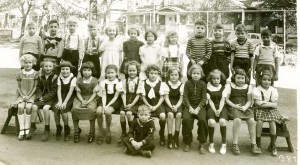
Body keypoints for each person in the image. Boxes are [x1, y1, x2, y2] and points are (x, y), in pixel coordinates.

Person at [225, 68, 261, 155]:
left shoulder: (248, 87)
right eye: (238, 78)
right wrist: (234, 106)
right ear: (234, 78)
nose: (241, 80)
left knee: (252, 121)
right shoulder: (229, 86)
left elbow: (249, 100)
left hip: (245, 107)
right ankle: (235, 143)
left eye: (242, 78)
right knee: (237, 120)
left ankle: (253, 144)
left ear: (245, 78)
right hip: (233, 107)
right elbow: (226, 99)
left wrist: (245, 107)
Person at [253, 70, 285, 156]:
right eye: (264, 79)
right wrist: (270, 104)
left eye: (268, 80)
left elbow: (275, 105)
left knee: (272, 122)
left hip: (271, 110)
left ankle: (273, 145)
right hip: (260, 110)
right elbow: (257, 103)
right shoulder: (257, 90)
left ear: (271, 81)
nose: (267, 82)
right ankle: (258, 143)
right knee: (259, 121)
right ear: (260, 80)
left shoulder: (273, 90)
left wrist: (264, 103)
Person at [29, 58, 58, 141]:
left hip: (51, 98)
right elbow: (38, 88)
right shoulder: (40, 76)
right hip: (41, 97)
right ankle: (33, 126)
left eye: (50, 66)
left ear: (53, 67)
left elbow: (54, 91)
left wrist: (44, 98)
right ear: (42, 67)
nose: (48, 68)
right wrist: (39, 97)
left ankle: (47, 128)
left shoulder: (55, 77)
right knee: (34, 107)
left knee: (45, 108)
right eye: (46, 66)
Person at [182, 64, 207, 153]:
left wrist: (198, 108)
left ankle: (202, 143)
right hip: (189, 106)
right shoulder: (187, 83)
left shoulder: (203, 84)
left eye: (198, 74)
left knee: (203, 120)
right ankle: (187, 142)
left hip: (200, 107)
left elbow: (204, 98)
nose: (196, 75)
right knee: (186, 119)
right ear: (190, 74)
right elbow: (185, 97)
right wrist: (189, 107)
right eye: (194, 73)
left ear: (201, 74)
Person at [13, 54, 39, 140]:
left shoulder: (35, 73)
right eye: (26, 63)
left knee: (28, 107)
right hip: (22, 95)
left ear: (33, 63)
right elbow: (19, 87)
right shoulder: (20, 73)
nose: (28, 64)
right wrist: (23, 95)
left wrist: (28, 96)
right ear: (22, 64)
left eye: (30, 63)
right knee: (20, 107)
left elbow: (35, 87)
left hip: (31, 95)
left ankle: (27, 128)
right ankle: (22, 129)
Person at [71, 62, 98, 143]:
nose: (86, 72)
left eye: (89, 70)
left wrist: (87, 101)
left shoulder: (94, 80)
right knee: (74, 110)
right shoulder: (79, 80)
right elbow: (78, 93)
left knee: (91, 110)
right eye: (84, 70)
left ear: (92, 71)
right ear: (81, 71)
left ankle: (92, 132)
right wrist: (82, 101)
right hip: (80, 98)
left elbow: (94, 93)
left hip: (91, 98)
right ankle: (76, 131)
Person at [96, 64, 123, 144]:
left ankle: (108, 130)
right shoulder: (104, 82)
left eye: (112, 73)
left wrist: (107, 106)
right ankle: (100, 131)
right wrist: (104, 106)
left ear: (116, 73)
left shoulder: (119, 82)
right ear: (105, 73)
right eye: (108, 73)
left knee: (107, 112)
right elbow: (104, 95)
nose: (110, 75)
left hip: (115, 100)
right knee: (98, 111)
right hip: (105, 99)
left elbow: (115, 97)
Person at [140, 64, 166, 146]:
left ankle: (161, 133)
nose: (153, 75)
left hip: (157, 104)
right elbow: (143, 97)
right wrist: (149, 106)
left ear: (158, 74)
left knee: (162, 116)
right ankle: (146, 135)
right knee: (143, 116)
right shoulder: (143, 83)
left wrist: (156, 106)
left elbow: (162, 97)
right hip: (147, 103)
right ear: (148, 73)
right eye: (151, 73)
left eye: (155, 73)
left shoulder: (161, 83)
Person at [118, 61, 143, 144]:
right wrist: (125, 104)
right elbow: (123, 93)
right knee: (122, 113)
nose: (132, 72)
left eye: (134, 71)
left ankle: (131, 132)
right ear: (127, 71)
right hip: (127, 100)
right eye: (130, 71)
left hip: (135, 102)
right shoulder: (124, 81)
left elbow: (138, 95)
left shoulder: (140, 82)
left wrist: (131, 105)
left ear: (137, 71)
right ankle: (123, 133)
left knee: (129, 114)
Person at [52, 61, 77, 141]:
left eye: (67, 69)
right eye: (63, 69)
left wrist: (64, 102)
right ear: (60, 70)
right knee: (56, 109)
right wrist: (60, 101)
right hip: (60, 96)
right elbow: (59, 90)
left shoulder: (73, 78)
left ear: (70, 70)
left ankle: (66, 128)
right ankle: (58, 127)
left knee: (63, 110)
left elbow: (70, 91)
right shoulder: (59, 78)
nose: (65, 71)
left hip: (69, 97)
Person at [206, 69, 228, 154]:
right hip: (212, 108)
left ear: (220, 79)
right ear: (211, 79)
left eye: (218, 79)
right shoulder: (208, 88)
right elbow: (210, 101)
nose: (216, 80)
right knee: (211, 122)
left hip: (221, 107)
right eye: (214, 79)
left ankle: (224, 143)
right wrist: (215, 110)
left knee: (222, 121)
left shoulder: (223, 88)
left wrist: (219, 110)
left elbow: (223, 100)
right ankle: (211, 143)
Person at [164, 67, 184, 149]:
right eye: (172, 75)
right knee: (170, 115)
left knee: (179, 115)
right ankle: (169, 136)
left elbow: (181, 99)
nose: (174, 77)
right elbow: (166, 98)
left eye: (176, 75)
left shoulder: (182, 85)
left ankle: (176, 136)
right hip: (169, 103)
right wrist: (171, 106)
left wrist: (176, 106)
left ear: (179, 76)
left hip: (178, 103)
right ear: (169, 76)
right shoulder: (166, 84)